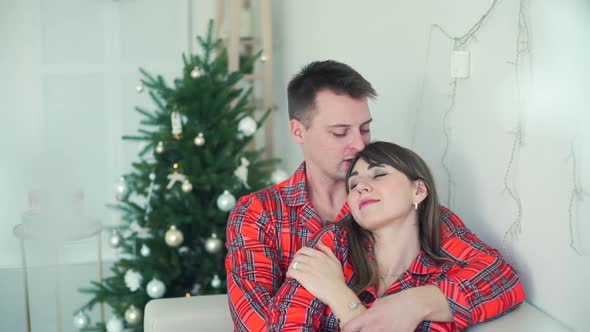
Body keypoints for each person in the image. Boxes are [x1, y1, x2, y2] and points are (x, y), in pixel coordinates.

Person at [225, 60, 524, 331]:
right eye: (340, 132)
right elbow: (262, 327)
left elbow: (499, 278)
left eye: (365, 129)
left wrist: (415, 303)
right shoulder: (258, 214)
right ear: (299, 132)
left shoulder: (403, 208)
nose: (359, 145)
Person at [267, 141, 525, 331]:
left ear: (419, 190)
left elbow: (502, 278)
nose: (361, 187)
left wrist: (414, 302)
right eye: (353, 185)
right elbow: (285, 324)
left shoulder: (442, 258)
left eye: (379, 175)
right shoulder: (334, 243)